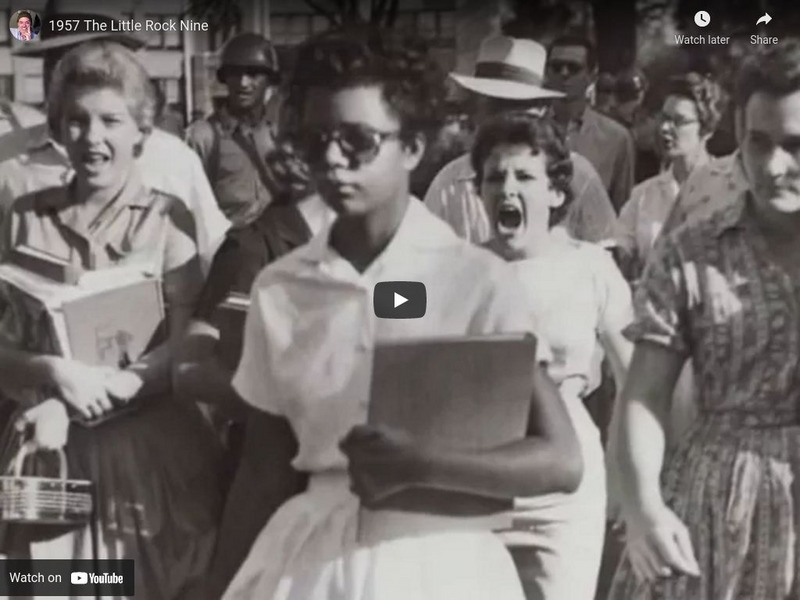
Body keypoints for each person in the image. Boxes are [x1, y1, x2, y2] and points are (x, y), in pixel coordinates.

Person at [221, 25, 583, 600]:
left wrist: (424, 464)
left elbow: (559, 460)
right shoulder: (282, 288)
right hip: (313, 566)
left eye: (358, 141)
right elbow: (262, 473)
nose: (333, 160)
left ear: (412, 146)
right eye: (316, 140)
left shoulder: (471, 280)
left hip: (440, 564)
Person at [0, 41, 222, 599]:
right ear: (58, 127)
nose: (92, 137)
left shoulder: (169, 220)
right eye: (76, 120)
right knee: (55, 586)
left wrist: (93, 394)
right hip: (49, 457)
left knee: (149, 584)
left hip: (152, 457)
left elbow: (188, 345)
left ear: (141, 131)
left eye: (111, 121)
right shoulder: (22, 216)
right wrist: (51, 372)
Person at [609, 39, 800, 599]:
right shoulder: (692, 252)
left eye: (796, 145)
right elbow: (644, 396)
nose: (774, 166)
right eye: (758, 143)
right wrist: (644, 507)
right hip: (717, 506)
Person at [474, 111, 633, 599]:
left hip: (564, 489)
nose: (507, 189)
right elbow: (384, 301)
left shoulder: (591, 268)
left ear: (556, 194)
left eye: (524, 177)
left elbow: (633, 378)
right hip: (476, 484)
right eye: (494, 177)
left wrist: (627, 478)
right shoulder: (457, 268)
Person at [175, 142, 334, 598]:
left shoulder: (380, 246)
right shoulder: (251, 247)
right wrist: (281, 399)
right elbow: (191, 368)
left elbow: (407, 311)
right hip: (271, 477)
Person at [0, 12, 230, 270]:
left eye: (96, 58)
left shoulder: (172, 158)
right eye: (59, 62)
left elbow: (213, 253)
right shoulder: (8, 156)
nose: (81, 71)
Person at [424, 35, 618, 247]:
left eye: (518, 108)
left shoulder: (576, 174)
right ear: (476, 110)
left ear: (542, 110)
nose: (506, 121)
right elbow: (425, 257)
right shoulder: (449, 183)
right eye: (495, 105)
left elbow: (606, 247)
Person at [616, 73, 722, 281]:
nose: (665, 128)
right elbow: (619, 250)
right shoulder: (644, 195)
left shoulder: (728, 186)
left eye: (679, 121)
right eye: (664, 118)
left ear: (706, 128)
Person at [186, 33, 283, 229]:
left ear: (269, 80)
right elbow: (187, 207)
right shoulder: (203, 137)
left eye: (253, 74)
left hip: (280, 242)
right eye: (235, 73)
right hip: (228, 243)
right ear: (224, 78)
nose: (243, 83)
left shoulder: (281, 134)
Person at [546, 35, 635, 212]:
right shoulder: (530, 130)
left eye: (573, 68)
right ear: (546, 72)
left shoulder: (616, 138)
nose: (564, 73)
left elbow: (622, 210)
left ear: (592, 76)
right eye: (556, 67)